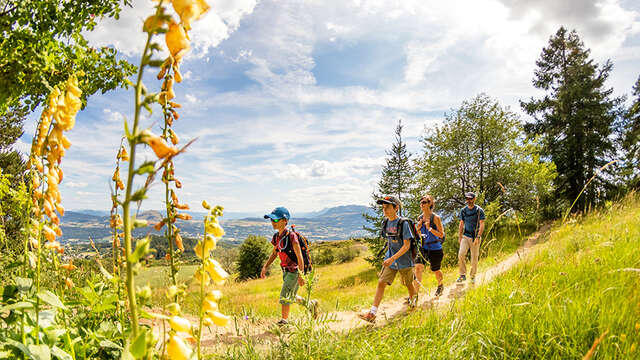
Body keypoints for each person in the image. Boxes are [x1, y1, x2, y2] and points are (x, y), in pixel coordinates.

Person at [358, 195, 417, 323]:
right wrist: (389, 257)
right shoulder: (386, 222)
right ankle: (372, 314)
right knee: (381, 283)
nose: (385, 210)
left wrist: (393, 258)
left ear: (396, 208)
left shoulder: (404, 223)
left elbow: (407, 245)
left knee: (408, 284)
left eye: (388, 207)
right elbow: (390, 241)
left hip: (404, 260)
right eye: (383, 207)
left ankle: (414, 305)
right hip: (391, 259)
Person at [260, 207, 318, 325]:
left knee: (284, 296)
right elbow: (274, 253)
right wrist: (265, 266)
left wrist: (301, 275)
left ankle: (284, 321)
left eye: (275, 220)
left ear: (285, 221)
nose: (272, 222)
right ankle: (311, 305)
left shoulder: (292, 237)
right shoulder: (277, 237)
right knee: (291, 295)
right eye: (271, 220)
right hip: (285, 271)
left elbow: (299, 256)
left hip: (294, 271)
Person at [414, 195, 445, 297]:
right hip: (423, 247)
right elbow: (418, 235)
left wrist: (429, 228)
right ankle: (415, 294)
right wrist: (418, 229)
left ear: (430, 204)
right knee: (418, 268)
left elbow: (441, 234)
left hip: (435, 248)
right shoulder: (420, 218)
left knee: (436, 270)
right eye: (421, 202)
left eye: (424, 202)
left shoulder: (436, 218)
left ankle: (440, 285)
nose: (421, 204)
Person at [457, 192, 485, 284]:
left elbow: (482, 224)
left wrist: (478, 236)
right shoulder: (463, 210)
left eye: (470, 199)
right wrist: (460, 236)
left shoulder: (479, 210)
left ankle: (473, 276)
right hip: (465, 235)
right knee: (461, 254)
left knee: (474, 258)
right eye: (467, 199)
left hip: (475, 237)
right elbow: (461, 223)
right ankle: (462, 275)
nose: (469, 201)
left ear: (474, 199)